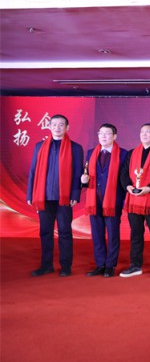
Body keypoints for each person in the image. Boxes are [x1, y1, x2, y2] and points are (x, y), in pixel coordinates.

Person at [27, 114, 84, 277]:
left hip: (64, 198)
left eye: (61, 125)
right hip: (43, 197)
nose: (57, 128)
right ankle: (46, 265)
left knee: (65, 232)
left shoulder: (75, 148)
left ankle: (66, 266)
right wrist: (30, 194)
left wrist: (75, 194)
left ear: (67, 128)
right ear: (49, 126)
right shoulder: (40, 146)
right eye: (54, 124)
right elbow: (33, 171)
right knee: (45, 232)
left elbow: (77, 172)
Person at [119, 123, 150, 279]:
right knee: (136, 234)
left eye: (148, 132)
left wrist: (149, 188)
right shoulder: (132, 153)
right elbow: (124, 173)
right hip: (134, 199)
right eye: (142, 132)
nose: (144, 134)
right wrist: (128, 186)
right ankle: (135, 265)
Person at [81, 123, 127, 278]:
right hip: (94, 200)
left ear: (114, 136)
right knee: (97, 234)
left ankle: (110, 265)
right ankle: (100, 264)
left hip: (113, 201)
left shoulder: (123, 154)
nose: (103, 136)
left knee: (113, 234)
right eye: (100, 133)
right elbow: (86, 175)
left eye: (107, 133)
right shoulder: (90, 153)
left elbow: (125, 178)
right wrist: (83, 181)